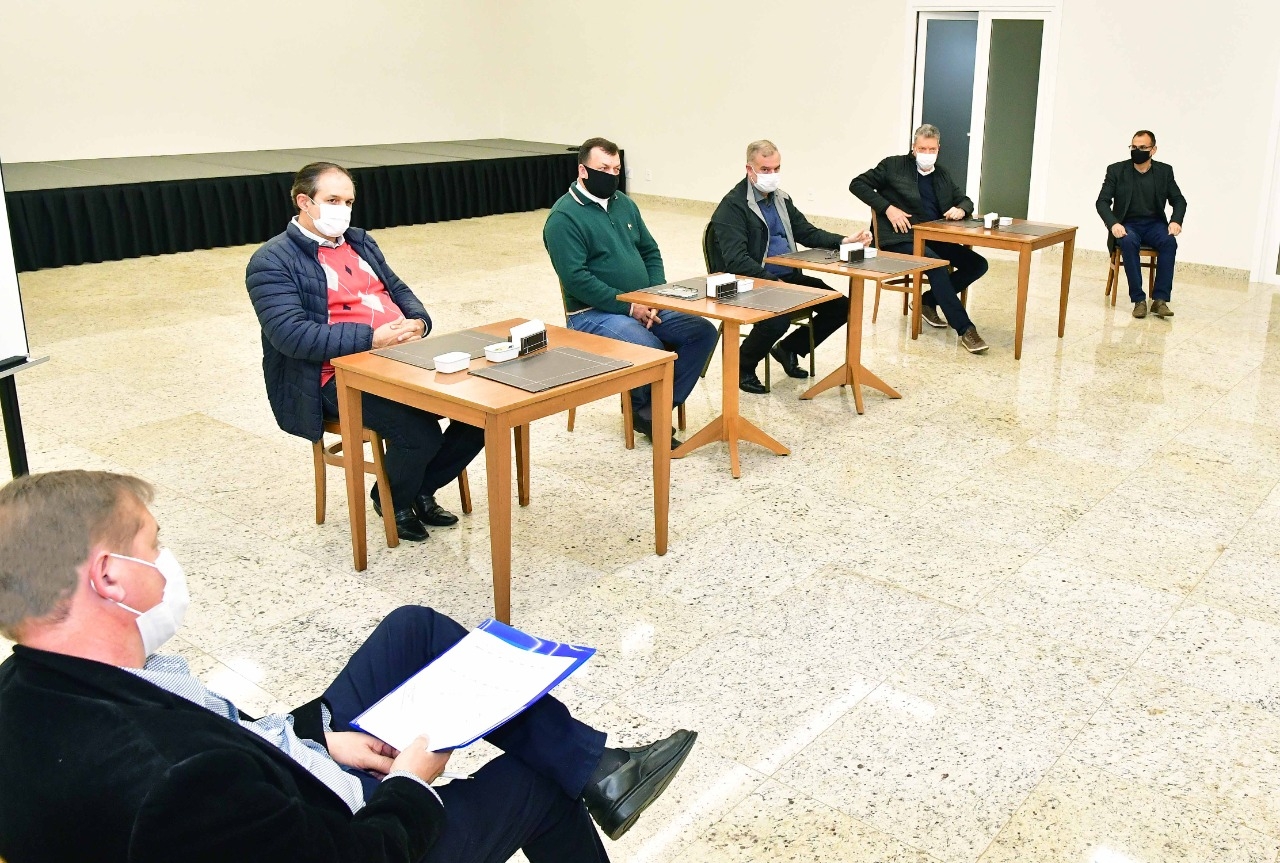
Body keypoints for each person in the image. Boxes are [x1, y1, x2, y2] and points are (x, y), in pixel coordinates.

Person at [0, 470, 697, 863]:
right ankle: (584, 775)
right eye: (153, 546)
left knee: (414, 630)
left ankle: (599, 768)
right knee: (534, 784)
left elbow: (229, 733)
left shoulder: (36, 688)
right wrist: (410, 786)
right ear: (110, 577)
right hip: (353, 827)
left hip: (297, 766)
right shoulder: (175, 778)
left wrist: (321, 739)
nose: (166, 562)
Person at [246, 162, 484, 542]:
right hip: (331, 376)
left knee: (480, 413)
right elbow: (291, 336)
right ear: (304, 202)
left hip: (396, 358)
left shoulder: (360, 242)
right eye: (332, 200)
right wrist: (371, 339)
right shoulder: (271, 261)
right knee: (419, 434)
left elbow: (398, 290)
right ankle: (393, 500)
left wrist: (418, 322)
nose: (343, 210)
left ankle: (418, 488)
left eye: (349, 201)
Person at [543, 137, 718, 447]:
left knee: (702, 332)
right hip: (592, 312)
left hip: (643, 302)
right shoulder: (563, 218)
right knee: (648, 347)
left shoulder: (623, 203)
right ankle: (645, 412)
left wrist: (654, 296)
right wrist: (629, 308)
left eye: (616, 169)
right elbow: (576, 279)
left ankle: (651, 411)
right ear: (583, 171)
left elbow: (650, 251)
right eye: (603, 169)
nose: (611, 175)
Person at [709, 140, 870, 394]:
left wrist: (843, 241)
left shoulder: (781, 199)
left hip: (786, 277)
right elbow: (736, 260)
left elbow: (806, 231)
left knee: (840, 306)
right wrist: (772, 282)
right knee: (778, 318)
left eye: (776, 168)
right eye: (765, 169)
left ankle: (789, 348)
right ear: (749, 169)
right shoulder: (733, 206)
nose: (772, 175)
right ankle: (742, 364)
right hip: (750, 281)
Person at [850, 124, 991, 354]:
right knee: (936, 266)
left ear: (938, 149)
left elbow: (965, 200)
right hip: (898, 239)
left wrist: (961, 209)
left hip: (932, 237)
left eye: (932, 149)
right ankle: (966, 329)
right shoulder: (893, 166)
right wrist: (888, 209)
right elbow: (857, 184)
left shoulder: (942, 174)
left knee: (978, 264)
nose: (927, 153)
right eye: (922, 149)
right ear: (913, 148)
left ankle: (927, 301)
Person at [1095, 129, 1187, 319]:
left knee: (1169, 242)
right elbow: (1102, 202)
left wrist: (1175, 221)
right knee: (1128, 241)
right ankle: (1139, 300)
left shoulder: (1164, 171)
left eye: (1143, 148)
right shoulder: (1116, 170)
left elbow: (1179, 200)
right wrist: (1113, 224)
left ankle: (1160, 300)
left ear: (1153, 150)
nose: (1137, 151)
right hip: (1128, 225)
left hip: (1154, 224)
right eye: (1134, 147)